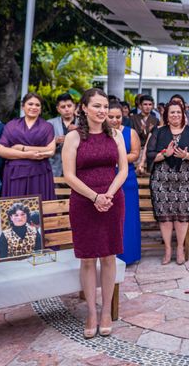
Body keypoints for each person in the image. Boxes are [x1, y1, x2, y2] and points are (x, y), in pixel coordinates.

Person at [62, 88, 128, 339]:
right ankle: (91, 311)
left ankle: (106, 312)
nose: (102, 111)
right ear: (84, 109)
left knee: (109, 256)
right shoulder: (74, 137)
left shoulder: (117, 135)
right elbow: (69, 175)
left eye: (105, 107)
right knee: (88, 259)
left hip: (112, 200)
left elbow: (122, 170)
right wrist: (94, 197)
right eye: (97, 106)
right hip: (83, 201)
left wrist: (108, 195)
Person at [147, 101, 189, 265]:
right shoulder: (158, 132)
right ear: (166, 115)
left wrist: (185, 156)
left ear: (183, 114)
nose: (175, 115)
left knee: (182, 217)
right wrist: (166, 154)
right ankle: (167, 249)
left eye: (178, 112)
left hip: (186, 183)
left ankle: (179, 248)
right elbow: (150, 155)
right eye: (172, 112)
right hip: (162, 183)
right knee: (165, 218)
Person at [0, 92, 56, 200]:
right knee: (15, 209)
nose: (34, 107)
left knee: (38, 210)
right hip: (15, 173)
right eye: (30, 104)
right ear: (23, 106)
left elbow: (51, 150)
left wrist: (22, 147)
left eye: (37, 105)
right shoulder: (11, 125)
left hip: (39, 173)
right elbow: (0, 150)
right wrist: (27, 155)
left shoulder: (47, 127)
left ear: (41, 108)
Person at [108, 102, 141, 265]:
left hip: (127, 179)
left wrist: (116, 158)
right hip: (106, 178)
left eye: (118, 117)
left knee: (127, 217)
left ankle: (128, 255)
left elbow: (135, 154)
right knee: (109, 218)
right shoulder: (100, 134)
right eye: (111, 117)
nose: (114, 120)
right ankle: (109, 256)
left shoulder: (130, 132)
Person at [48, 93, 78, 177]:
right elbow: (42, 145)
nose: (67, 109)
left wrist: (79, 131)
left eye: (69, 106)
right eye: (63, 107)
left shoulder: (83, 124)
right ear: (58, 109)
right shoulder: (50, 124)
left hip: (78, 168)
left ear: (74, 106)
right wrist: (55, 141)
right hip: (56, 167)